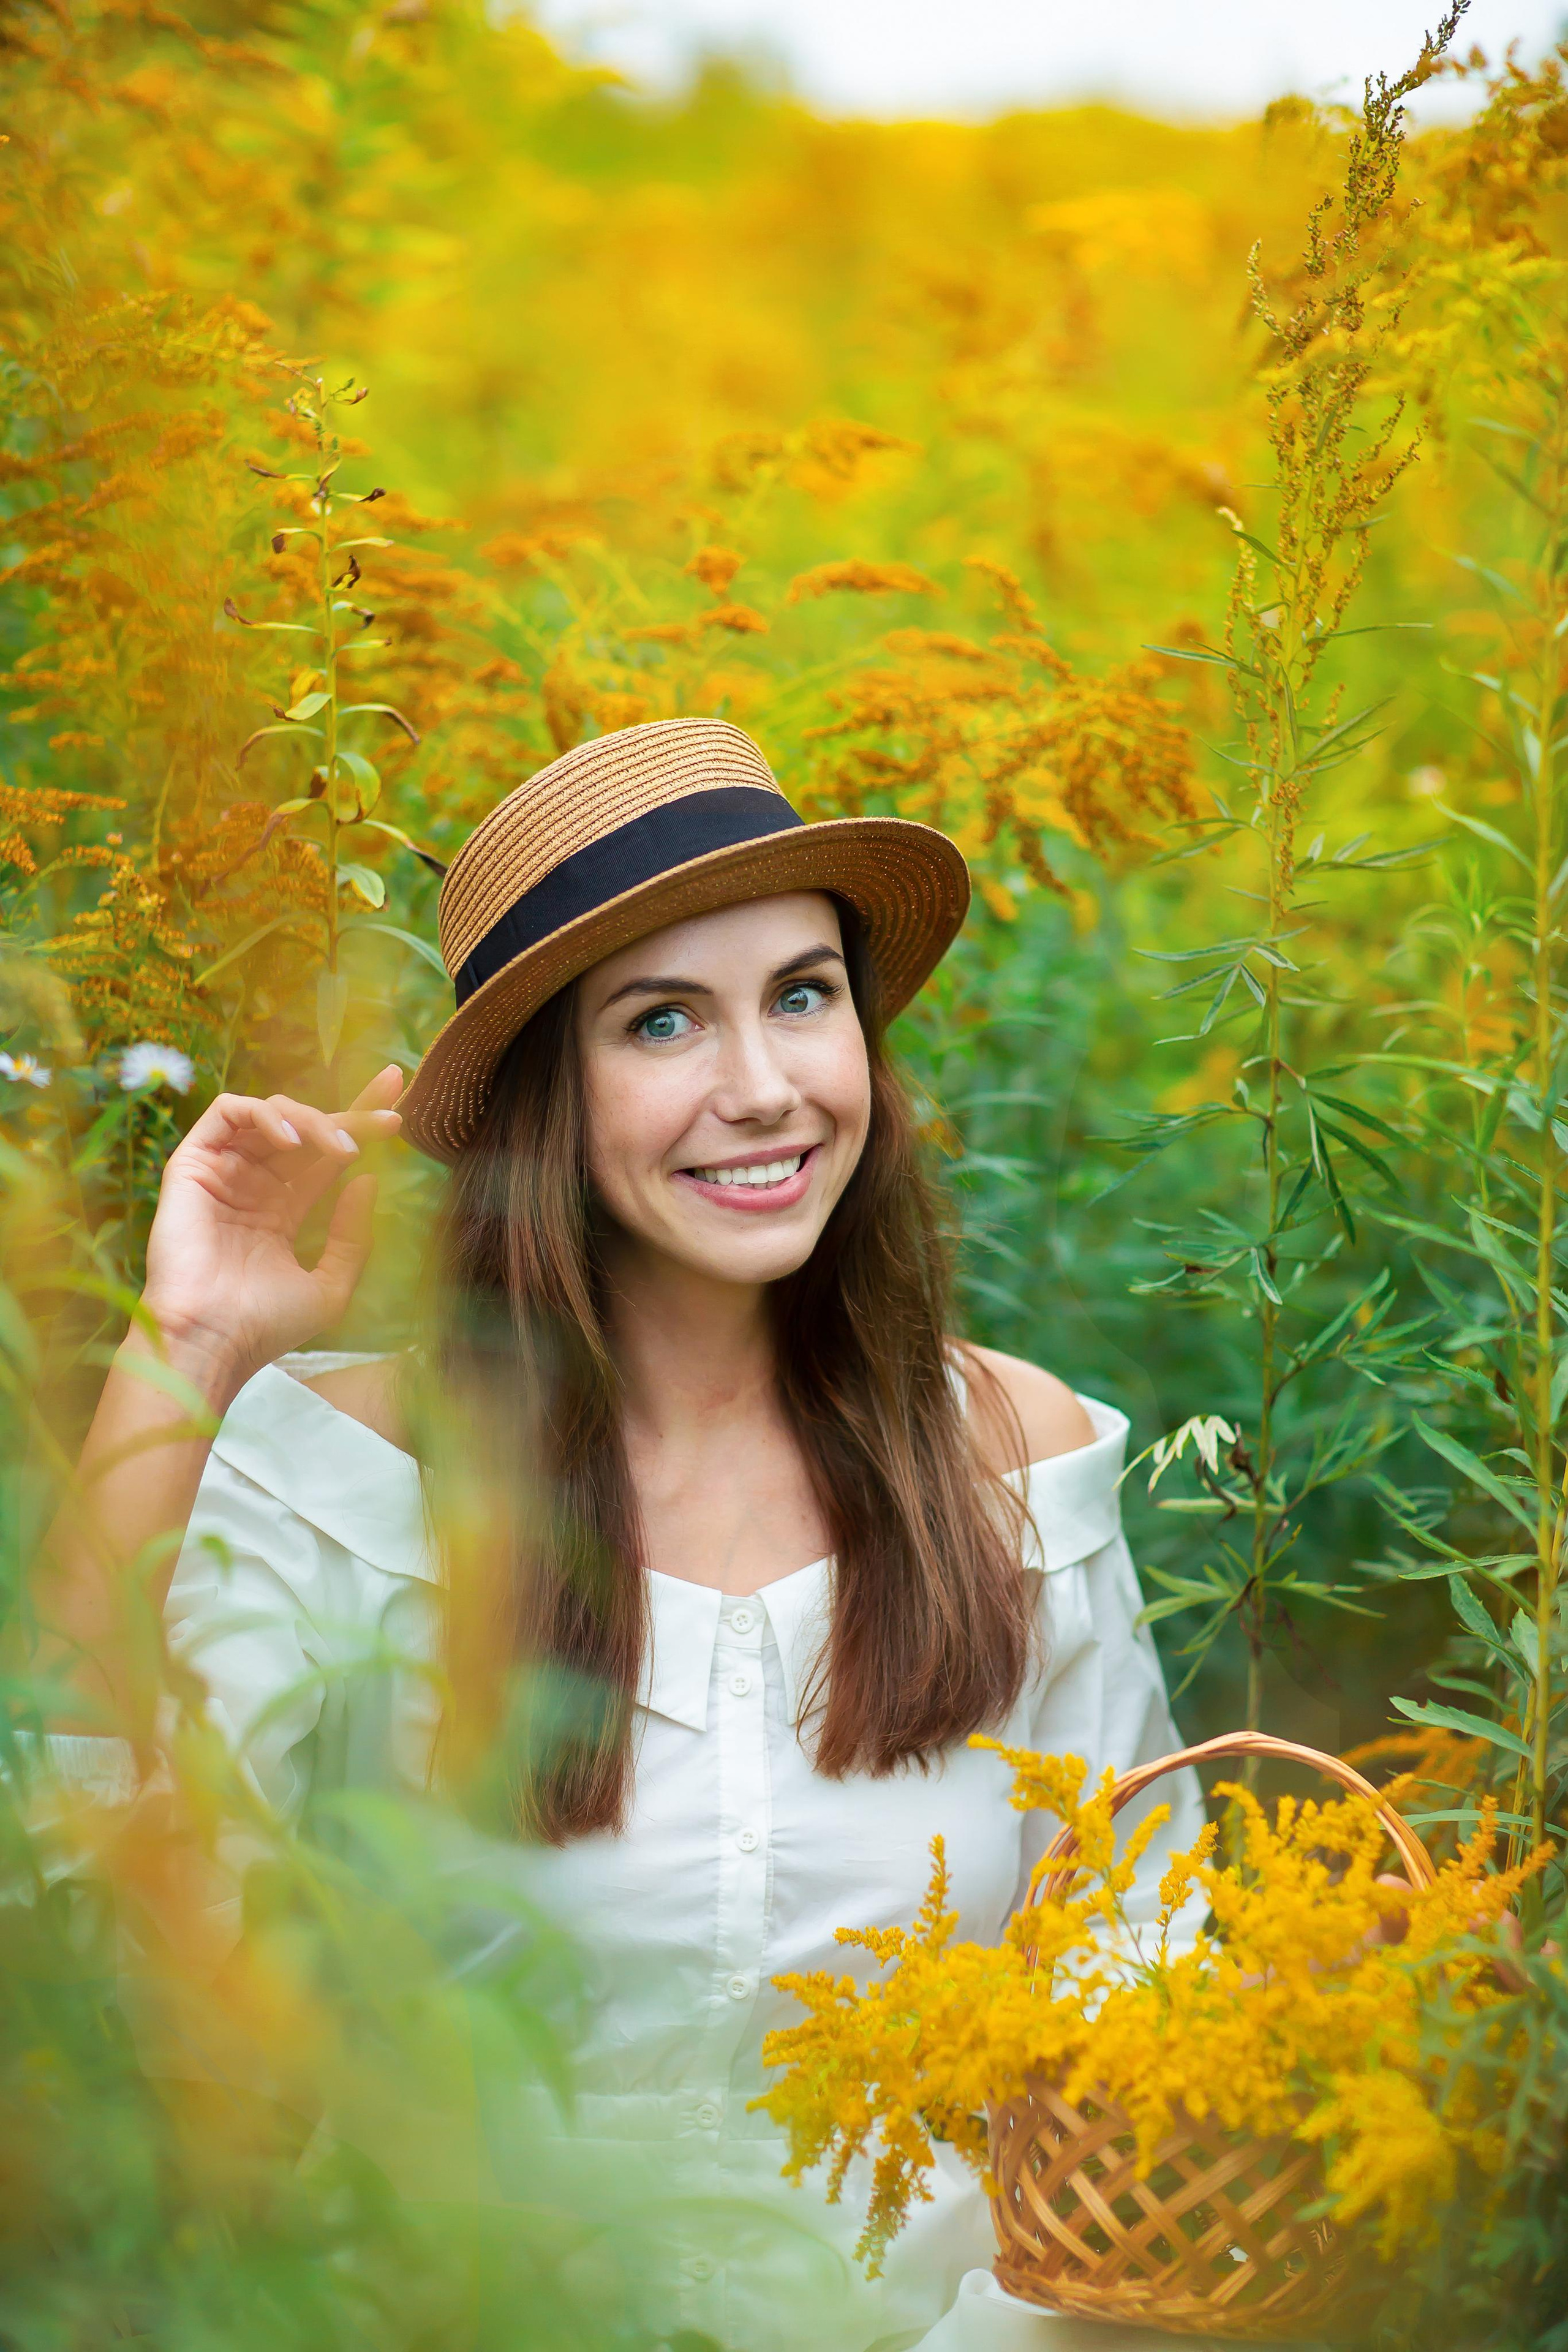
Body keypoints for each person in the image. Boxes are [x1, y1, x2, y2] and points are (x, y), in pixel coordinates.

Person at [43, 717, 1204, 2352]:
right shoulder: (352, 1479)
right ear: (547, 1096)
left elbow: (1141, 1992)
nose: (766, 1089)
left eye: (803, 995)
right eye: (663, 1021)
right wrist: (187, 1347)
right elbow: (84, 1906)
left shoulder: (1019, 1461)